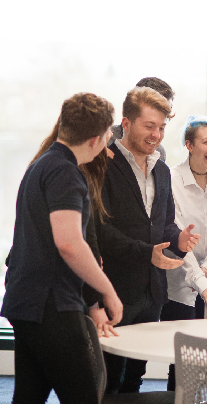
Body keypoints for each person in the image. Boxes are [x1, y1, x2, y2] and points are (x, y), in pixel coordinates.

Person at [1, 93, 123, 404]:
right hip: (50, 304)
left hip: (26, 301)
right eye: (107, 136)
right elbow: (69, 243)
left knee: (28, 397)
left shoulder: (42, 164)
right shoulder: (66, 172)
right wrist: (107, 291)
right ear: (95, 140)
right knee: (83, 397)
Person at [95, 86, 201, 394]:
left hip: (152, 293)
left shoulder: (162, 170)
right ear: (127, 124)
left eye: (162, 128)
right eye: (149, 126)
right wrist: (146, 253)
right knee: (108, 381)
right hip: (115, 290)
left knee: (134, 381)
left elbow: (164, 225)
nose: (156, 135)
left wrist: (179, 240)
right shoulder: (103, 164)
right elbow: (100, 229)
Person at [160, 115, 207, 390]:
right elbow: (177, 237)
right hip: (178, 283)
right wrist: (198, 278)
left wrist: (206, 271)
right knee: (181, 364)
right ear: (189, 146)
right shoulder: (170, 179)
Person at [108, 76, 175, 161]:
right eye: (149, 126)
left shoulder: (159, 153)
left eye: (168, 110)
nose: (166, 116)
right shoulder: (103, 142)